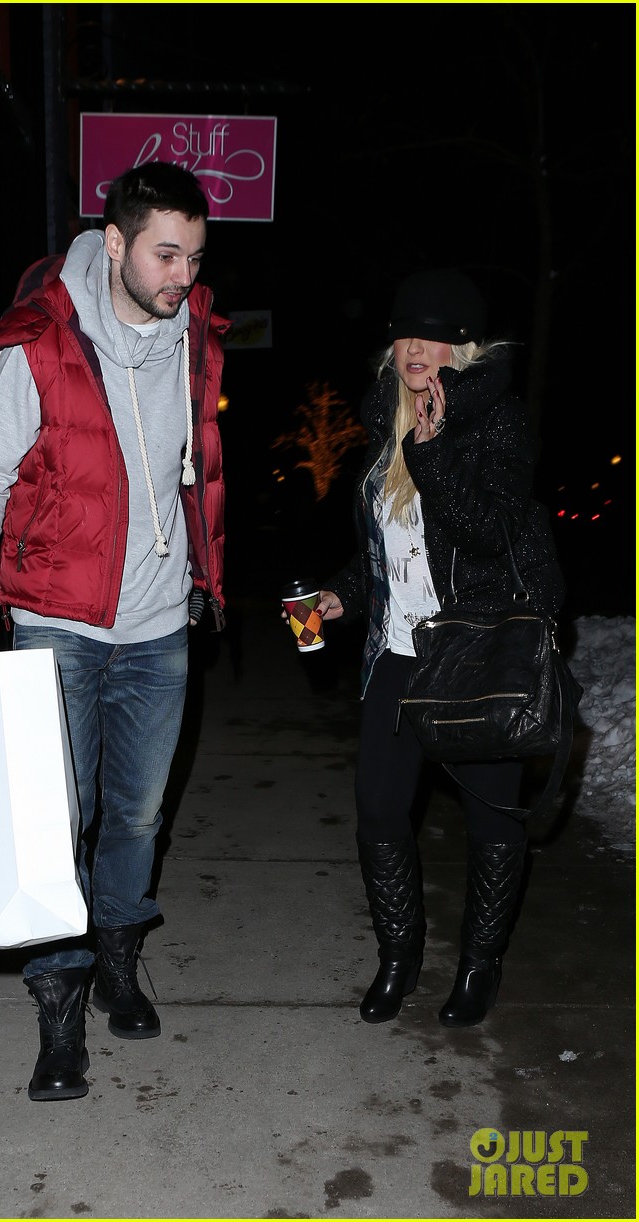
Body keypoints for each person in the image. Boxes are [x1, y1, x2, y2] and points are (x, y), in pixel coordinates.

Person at [0, 161, 228, 1101]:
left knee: (137, 816)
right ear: (114, 244)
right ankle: (58, 1012)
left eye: (195, 256)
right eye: (165, 254)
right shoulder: (41, 344)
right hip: (57, 625)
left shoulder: (196, 342)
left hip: (158, 628)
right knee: (54, 823)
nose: (183, 274)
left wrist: (199, 573)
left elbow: (191, 474)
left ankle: (116, 965)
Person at [314, 268, 566, 1028]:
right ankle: (398, 958)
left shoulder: (496, 423)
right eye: (405, 334)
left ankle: (479, 965)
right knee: (378, 811)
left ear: (465, 349)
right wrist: (344, 594)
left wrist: (433, 456)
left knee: (491, 819)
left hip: (476, 655)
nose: (416, 349)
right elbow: (390, 548)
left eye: (435, 337)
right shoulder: (384, 419)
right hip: (398, 653)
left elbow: (488, 534)